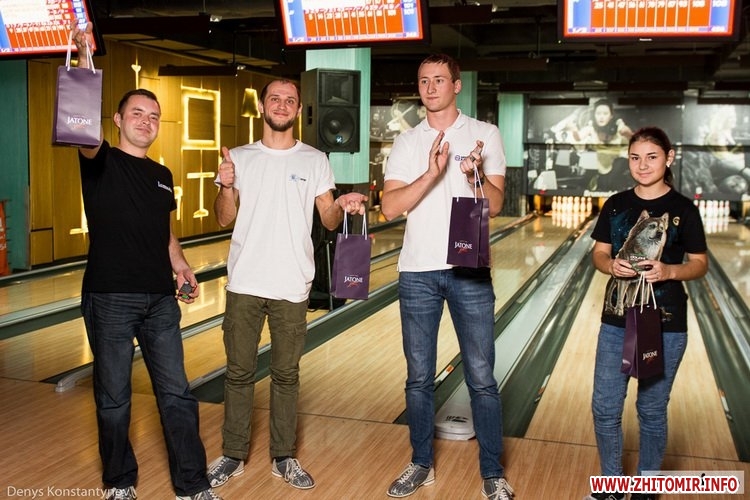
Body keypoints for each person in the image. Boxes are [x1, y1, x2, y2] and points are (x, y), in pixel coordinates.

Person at [70, 22, 221, 500]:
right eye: (137, 113)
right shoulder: (99, 160)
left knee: (177, 394)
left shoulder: (162, 173)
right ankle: (120, 483)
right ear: (117, 120)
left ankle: (192, 486)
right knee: (113, 399)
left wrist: (181, 264)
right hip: (110, 297)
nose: (146, 121)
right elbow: (80, 121)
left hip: (159, 300)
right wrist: (83, 57)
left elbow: (164, 232)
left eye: (154, 116)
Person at [206, 79, 367, 492]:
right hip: (245, 282)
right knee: (238, 374)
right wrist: (226, 185)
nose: (281, 105)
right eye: (274, 99)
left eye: (289, 100)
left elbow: (328, 219)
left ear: (298, 110)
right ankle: (233, 454)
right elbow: (223, 218)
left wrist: (341, 204)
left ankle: (283, 456)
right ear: (262, 106)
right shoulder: (239, 158)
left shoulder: (315, 160)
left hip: (293, 284)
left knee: (286, 376)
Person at [380, 54, 514, 500]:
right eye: (424, 81)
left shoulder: (484, 134)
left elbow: (496, 203)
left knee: (482, 377)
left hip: (468, 269)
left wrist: (475, 175)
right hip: (418, 272)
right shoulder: (407, 141)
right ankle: (421, 464)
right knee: (418, 377)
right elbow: (390, 207)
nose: (431, 87)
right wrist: (432, 173)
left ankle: (492, 472)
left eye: (439, 80)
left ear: (457, 85)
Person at [584, 127, 708, 500]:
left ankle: (646, 489)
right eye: (635, 157)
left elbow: (700, 264)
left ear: (669, 158)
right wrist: (610, 265)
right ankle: (611, 486)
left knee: (651, 409)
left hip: (665, 323)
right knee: (604, 407)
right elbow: (598, 254)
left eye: (652, 157)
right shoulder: (615, 204)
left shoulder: (684, 210)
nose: (642, 165)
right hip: (616, 320)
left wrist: (669, 271)